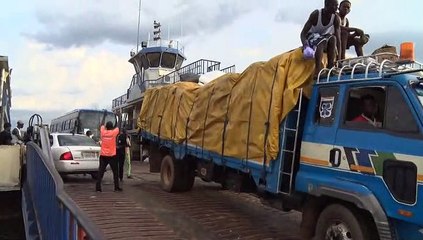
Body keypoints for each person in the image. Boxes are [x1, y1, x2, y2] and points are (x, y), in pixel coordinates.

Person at [300, 0, 341, 75]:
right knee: (321, 40)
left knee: (333, 38)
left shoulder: (336, 18)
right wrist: (305, 45)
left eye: (337, 6)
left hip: (323, 37)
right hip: (311, 35)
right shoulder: (316, 14)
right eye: (334, 5)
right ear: (327, 5)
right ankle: (317, 70)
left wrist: (339, 59)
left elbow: (338, 39)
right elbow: (303, 33)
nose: (336, 8)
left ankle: (330, 67)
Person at [96, 121, 121, 192]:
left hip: (103, 155)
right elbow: (118, 127)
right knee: (115, 172)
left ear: (106, 127)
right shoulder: (114, 133)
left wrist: (104, 117)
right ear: (112, 127)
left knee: (100, 171)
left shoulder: (103, 132)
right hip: (112, 155)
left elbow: (101, 125)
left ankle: (98, 188)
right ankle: (116, 187)